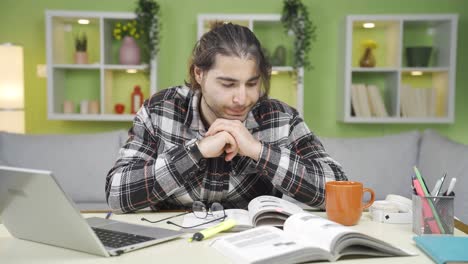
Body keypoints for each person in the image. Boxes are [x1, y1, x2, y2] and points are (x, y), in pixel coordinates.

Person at [106, 22, 347, 213]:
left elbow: (340, 192)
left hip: (255, 248)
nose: (242, 98)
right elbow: (117, 195)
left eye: (252, 83)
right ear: (199, 74)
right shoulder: (160, 110)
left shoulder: (281, 119)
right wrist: (195, 151)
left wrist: (259, 151)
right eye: (228, 84)